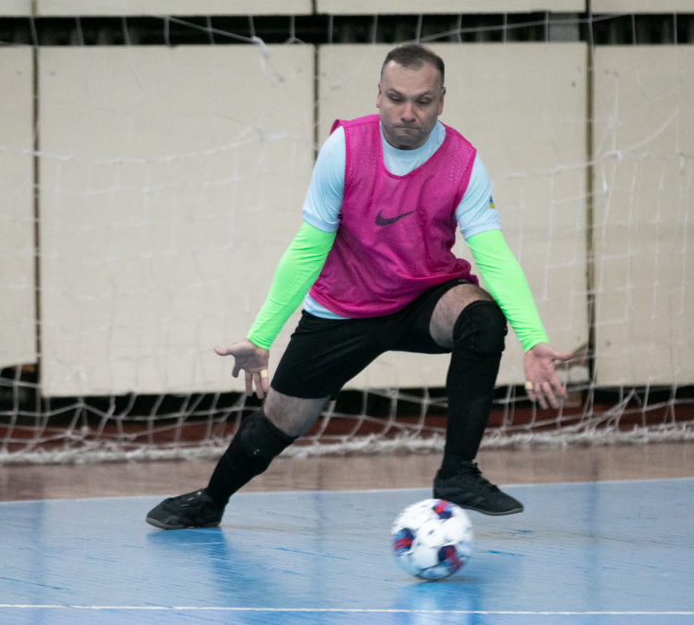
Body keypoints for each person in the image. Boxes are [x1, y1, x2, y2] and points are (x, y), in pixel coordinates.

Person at [146, 43, 573, 530]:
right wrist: (262, 336)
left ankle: (457, 473)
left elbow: (492, 256)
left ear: (441, 100)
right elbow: (309, 247)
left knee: (482, 317)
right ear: (378, 95)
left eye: (423, 101)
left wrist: (533, 338)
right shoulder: (345, 148)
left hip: (422, 300)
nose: (408, 113)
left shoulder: (463, 162)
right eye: (396, 98)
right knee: (281, 421)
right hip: (343, 309)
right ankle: (211, 500)